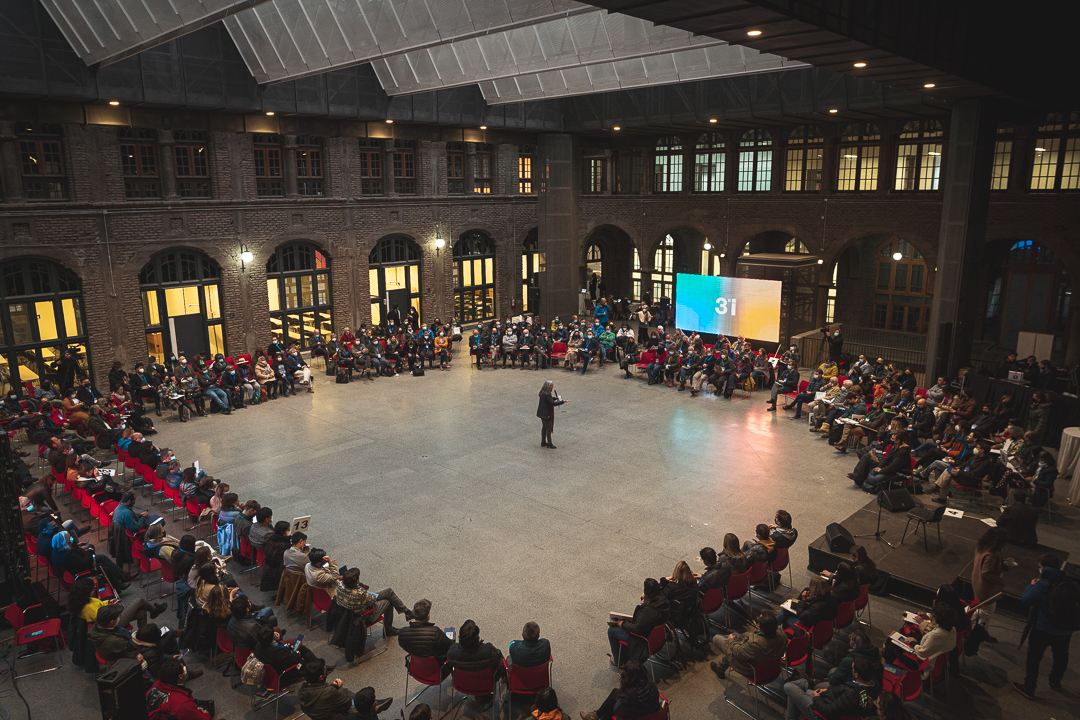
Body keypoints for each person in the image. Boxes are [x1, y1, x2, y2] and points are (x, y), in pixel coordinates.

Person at [1014, 553, 1077, 699]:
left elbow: (1025, 600)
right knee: (1061, 657)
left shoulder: (1043, 585)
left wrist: (1031, 586)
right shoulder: (1073, 585)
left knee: (1034, 658)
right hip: (1065, 631)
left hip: (1042, 629)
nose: (1040, 570)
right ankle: (1055, 681)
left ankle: (1029, 688)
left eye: (1040, 568)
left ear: (1046, 568)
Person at [782, 656, 879, 720]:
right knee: (796, 692)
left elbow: (827, 712)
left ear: (857, 675)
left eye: (852, 669)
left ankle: (805, 682)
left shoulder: (851, 695)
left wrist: (817, 697)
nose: (851, 670)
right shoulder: (873, 684)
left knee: (788, 686)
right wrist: (827, 690)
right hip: (830, 698)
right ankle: (805, 683)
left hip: (820, 713)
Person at [607, 578, 669, 667]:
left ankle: (619, 661)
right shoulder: (664, 601)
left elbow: (637, 628)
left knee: (611, 631)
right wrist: (646, 600)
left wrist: (623, 624)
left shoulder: (648, 611)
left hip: (642, 639)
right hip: (657, 637)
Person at [709, 611, 788, 680]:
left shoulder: (754, 644)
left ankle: (720, 668)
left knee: (717, 638)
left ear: (759, 626)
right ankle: (720, 668)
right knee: (735, 635)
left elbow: (737, 652)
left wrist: (732, 641)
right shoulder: (782, 634)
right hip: (772, 666)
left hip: (751, 667)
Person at [579, 661, 659, 720]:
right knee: (615, 693)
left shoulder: (629, 697)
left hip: (636, 716)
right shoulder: (650, 683)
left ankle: (593, 717)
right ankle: (595, 715)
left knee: (609, 711)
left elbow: (617, 711)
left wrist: (621, 698)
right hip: (652, 714)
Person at [398, 599, 454, 676]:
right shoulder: (435, 632)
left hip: (416, 669)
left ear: (414, 614)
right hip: (436, 670)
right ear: (427, 616)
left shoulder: (402, 634)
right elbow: (450, 647)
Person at [149, 658, 214, 720]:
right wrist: (206, 713)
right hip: (177, 711)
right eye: (183, 669)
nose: (185, 670)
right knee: (207, 709)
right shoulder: (182, 702)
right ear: (180, 676)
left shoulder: (156, 685)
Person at [447, 619, 506, 686]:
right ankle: (505, 679)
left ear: (460, 638)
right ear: (477, 637)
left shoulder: (451, 653)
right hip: (485, 684)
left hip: (462, 683)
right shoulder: (490, 651)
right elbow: (498, 658)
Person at [537, 380, 567, 449]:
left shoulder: (543, 392)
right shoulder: (547, 394)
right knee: (548, 428)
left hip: (542, 413)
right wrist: (562, 402)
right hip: (546, 414)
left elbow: (549, 400)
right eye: (551, 385)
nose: (552, 387)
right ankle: (549, 443)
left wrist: (554, 398)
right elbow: (552, 403)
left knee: (544, 427)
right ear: (548, 386)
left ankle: (543, 441)